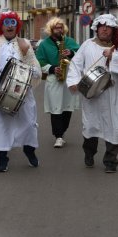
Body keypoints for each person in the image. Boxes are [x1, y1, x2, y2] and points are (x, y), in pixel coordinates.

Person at [66, 14, 118, 173]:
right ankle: (89, 153)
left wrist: (114, 56)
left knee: (113, 126)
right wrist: (74, 82)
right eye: (102, 26)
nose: (104, 29)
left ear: (113, 29)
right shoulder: (87, 45)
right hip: (92, 96)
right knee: (91, 126)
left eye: (108, 26)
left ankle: (111, 161)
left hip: (114, 95)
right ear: (96, 28)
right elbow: (76, 65)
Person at [0, 11, 41, 173]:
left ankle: (29, 150)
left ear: (17, 26)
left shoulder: (24, 42)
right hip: (1, 91)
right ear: (2, 26)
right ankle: (2, 159)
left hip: (23, 92)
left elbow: (36, 70)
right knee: (3, 126)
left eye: (13, 23)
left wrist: (26, 52)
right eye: (6, 23)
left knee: (28, 123)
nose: (9, 26)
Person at [35, 17, 80, 148]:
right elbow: (39, 61)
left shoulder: (69, 41)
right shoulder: (44, 44)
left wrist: (71, 52)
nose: (59, 30)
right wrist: (53, 68)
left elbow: (80, 55)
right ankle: (58, 136)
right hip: (54, 79)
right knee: (56, 108)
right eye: (56, 27)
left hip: (69, 78)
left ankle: (62, 131)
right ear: (51, 29)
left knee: (67, 107)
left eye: (60, 27)